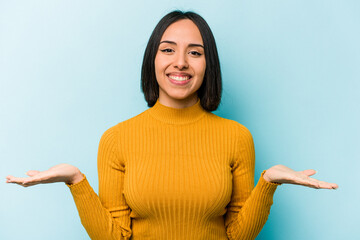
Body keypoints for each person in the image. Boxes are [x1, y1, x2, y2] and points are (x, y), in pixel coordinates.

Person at [6, 10, 338, 240]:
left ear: (209, 65)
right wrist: (75, 180)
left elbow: (237, 235)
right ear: (153, 59)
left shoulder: (237, 138)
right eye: (168, 50)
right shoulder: (116, 139)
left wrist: (268, 181)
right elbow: (117, 237)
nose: (180, 62)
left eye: (195, 53)